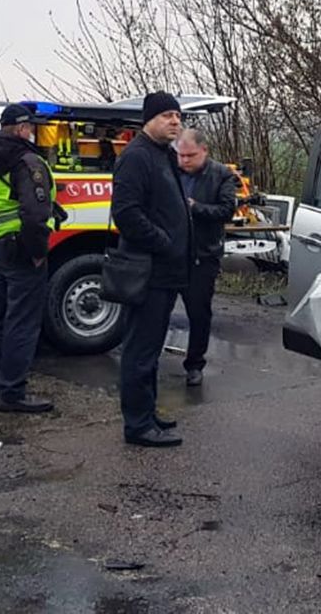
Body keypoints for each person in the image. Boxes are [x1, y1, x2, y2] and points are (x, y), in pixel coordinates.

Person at [0, 103, 66, 413]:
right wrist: (36, 252)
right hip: (23, 248)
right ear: (20, 129)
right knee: (23, 322)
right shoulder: (26, 160)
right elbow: (34, 213)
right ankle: (13, 392)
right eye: (30, 127)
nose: (32, 132)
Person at [111, 91, 191, 448]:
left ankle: (148, 413)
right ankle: (137, 425)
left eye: (177, 115)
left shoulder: (163, 155)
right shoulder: (137, 157)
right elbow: (127, 213)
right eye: (166, 116)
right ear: (149, 120)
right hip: (148, 269)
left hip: (166, 270)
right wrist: (164, 242)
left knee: (152, 348)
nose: (175, 121)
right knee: (140, 350)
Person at [174, 128, 239, 387]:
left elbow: (226, 211)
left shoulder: (221, 174)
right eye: (181, 155)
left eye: (190, 155)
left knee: (199, 313)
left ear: (204, 151)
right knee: (157, 310)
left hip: (203, 254)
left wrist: (195, 208)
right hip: (173, 252)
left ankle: (195, 364)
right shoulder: (171, 171)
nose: (185, 161)